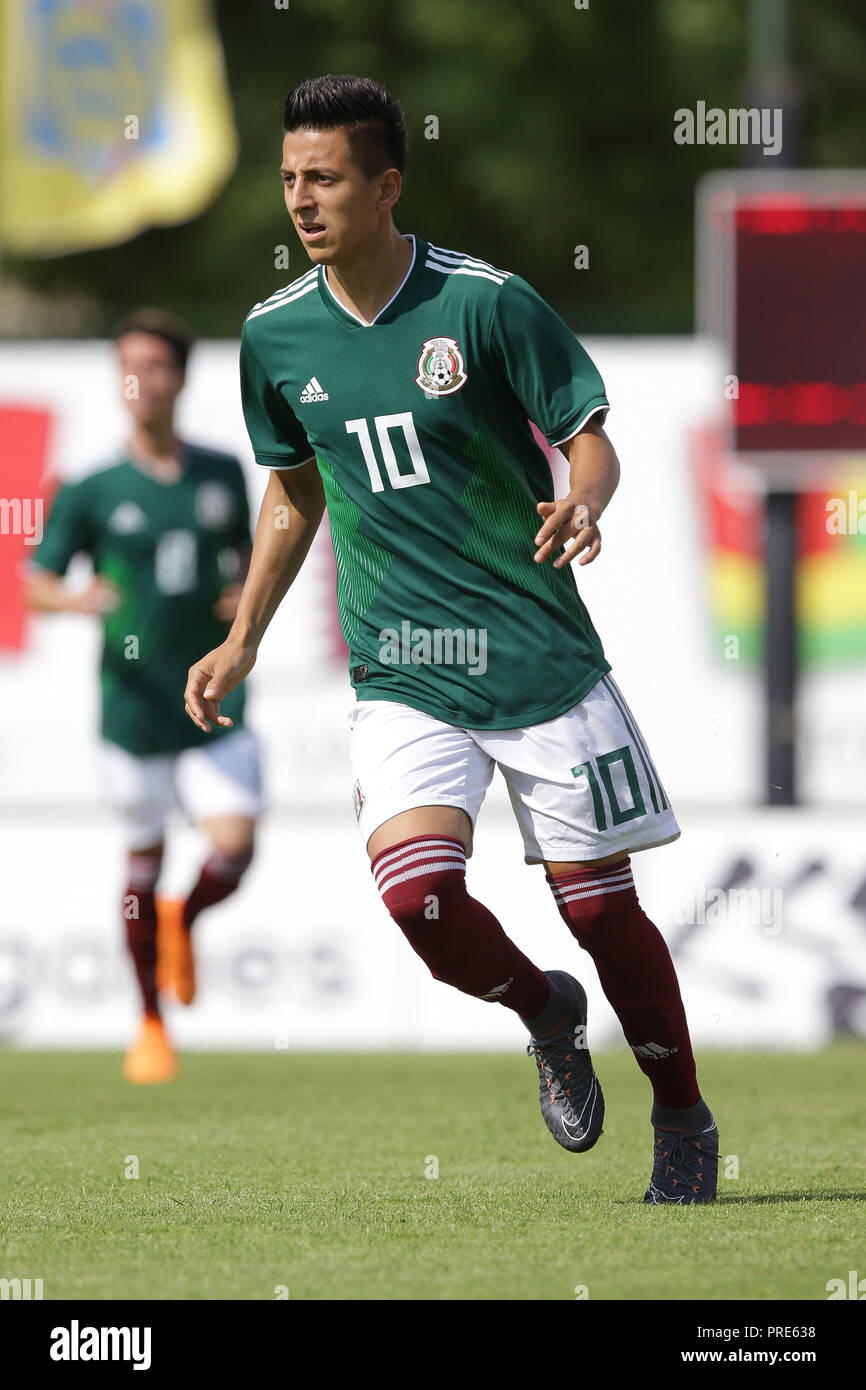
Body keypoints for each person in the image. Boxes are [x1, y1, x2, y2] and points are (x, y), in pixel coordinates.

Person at [184, 75, 718, 1202]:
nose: (300, 199)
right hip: (400, 669)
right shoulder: (274, 337)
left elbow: (588, 437)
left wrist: (586, 501)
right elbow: (293, 491)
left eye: (322, 177)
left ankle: (681, 1114)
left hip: (534, 656)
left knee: (601, 912)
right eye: (288, 178)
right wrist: (242, 638)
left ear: (385, 185)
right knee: (416, 897)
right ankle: (542, 1011)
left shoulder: (483, 304)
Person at [29, 309, 262, 1085]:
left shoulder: (222, 473)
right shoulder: (93, 488)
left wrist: (240, 599)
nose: (142, 381)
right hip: (131, 713)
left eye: (156, 366)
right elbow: (35, 585)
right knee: (142, 862)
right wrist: (77, 600)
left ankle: (181, 920)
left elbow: (250, 564)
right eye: (128, 366)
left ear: (181, 378)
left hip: (213, 703)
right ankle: (150, 1023)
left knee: (234, 846)